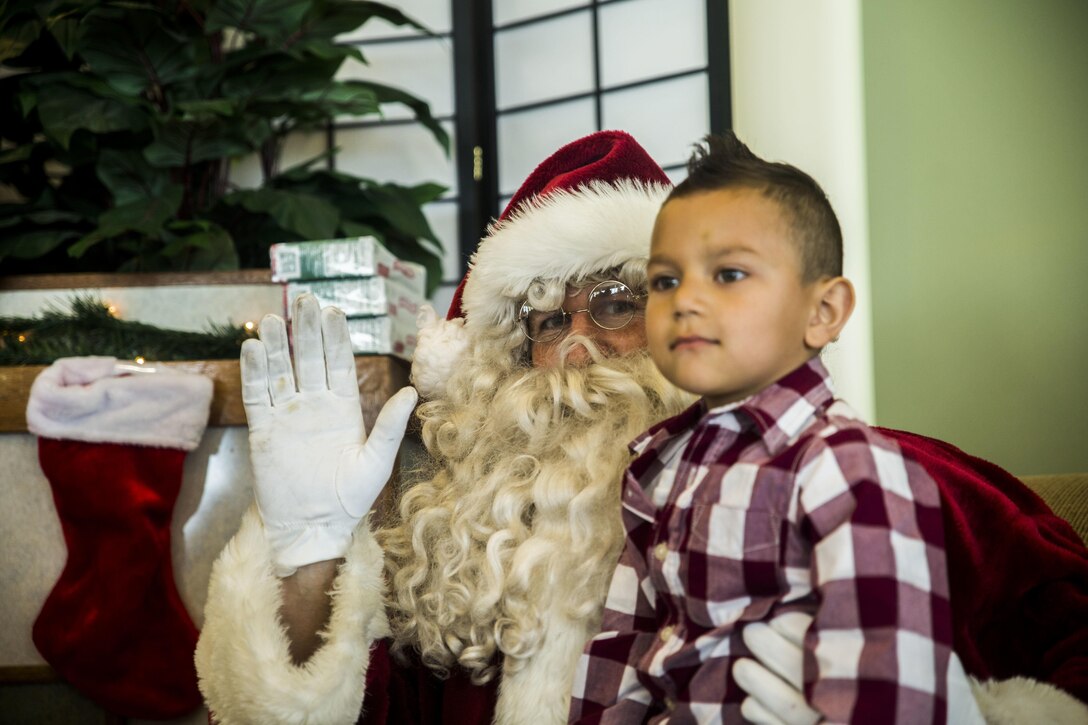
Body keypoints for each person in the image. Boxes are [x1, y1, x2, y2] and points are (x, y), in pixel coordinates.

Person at [195, 131, 1088, 724]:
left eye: (616, 301)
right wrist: (309, 550)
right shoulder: (465, 555)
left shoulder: (874, 478)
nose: (578, 346)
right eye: (546, 321)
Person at [568, 132, 983, 723]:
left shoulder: (844, 465)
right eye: (664, 280)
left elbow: (887, 679)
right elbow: (622, 653)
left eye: (729, 274)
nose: (686, 300)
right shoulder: (658, 466)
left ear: (824, 312)